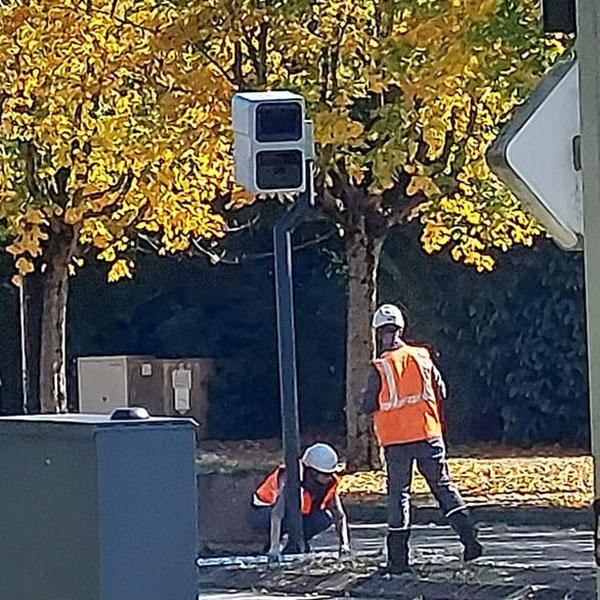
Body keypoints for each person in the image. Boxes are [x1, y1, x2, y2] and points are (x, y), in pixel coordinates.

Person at [362, 304, 482, 574]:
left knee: (399, 495)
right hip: (428, 434)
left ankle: (398, 561)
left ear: (377, 333)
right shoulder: (422, 356)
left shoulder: (380, 366)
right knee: (442, 486)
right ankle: (470, 539)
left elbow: (368, 404)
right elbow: (441, 390)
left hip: (396, 441)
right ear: (401, 329)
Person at [251, 443, 351, 562]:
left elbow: (339, 515)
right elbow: (277, 514)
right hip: (264, 512)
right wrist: (274, 548)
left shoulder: (329, 483)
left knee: (324, 518)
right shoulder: (292, 476)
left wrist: (344, 545)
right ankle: (276, 542)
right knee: (290, 517)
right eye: (324, 474)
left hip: (295, 516)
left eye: (330, 474)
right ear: (311, 471)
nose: (329, 478)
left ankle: (296, 543)